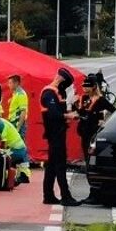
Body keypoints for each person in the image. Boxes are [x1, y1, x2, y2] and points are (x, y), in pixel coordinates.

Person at [41, 68, 80, 206]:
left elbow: (61, 112)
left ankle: (48, 195)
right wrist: (67, 116)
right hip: (54, 133)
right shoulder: (49, 93)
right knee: (60, 165)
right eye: (66, 83)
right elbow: (53, 114)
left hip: (58, 132)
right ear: (60, 79)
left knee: (52, 165)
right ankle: (65, 196)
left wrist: (70, 112)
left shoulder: (58, 93)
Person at [75, 77, 116, 166]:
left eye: (87, 86)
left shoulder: (101, 100)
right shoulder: (83, 98)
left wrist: (105, 121)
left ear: (93, 87)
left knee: (93, 151)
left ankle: (93, 166)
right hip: (83, 129)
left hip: (94, 130)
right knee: (85, 150)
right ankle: (88, 166)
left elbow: (114, 111)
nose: (85, 88)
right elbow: (79, 112)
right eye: (84, 86)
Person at [0, 107, 31, 184]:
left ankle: (3, 177)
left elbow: (2, 142)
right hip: (20, 148)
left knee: (1, 157)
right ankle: (22, 175)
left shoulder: (1, 125)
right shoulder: (1, 122)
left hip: (16, 150)